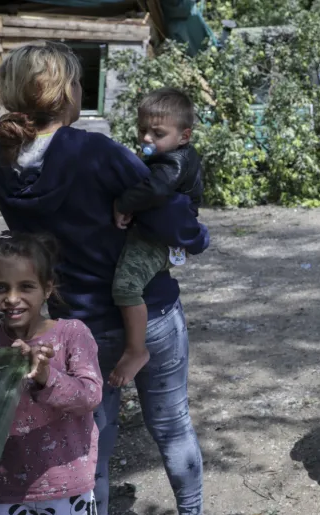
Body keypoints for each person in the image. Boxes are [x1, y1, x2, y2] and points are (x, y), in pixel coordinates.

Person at [0, 42, 212, 515]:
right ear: (66, 92)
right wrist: (195, 238)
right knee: (172, 422)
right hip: (148, 312)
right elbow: (169, 214)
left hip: (71, 323)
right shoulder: (95, 150)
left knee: (91, 439)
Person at [0, 232, 103, 515]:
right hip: (3, 488)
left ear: (47, 288)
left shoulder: (72, 334)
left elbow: (90, 396)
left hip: (67, 485)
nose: (12, 298)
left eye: (25, 286)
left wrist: (45, 375)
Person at [109, 87, 205, 388]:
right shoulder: (171, 155)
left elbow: (156, 190)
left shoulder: (172, 163)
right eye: (143, 131)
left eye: (157, 133)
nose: (147, 138)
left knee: (125, 287)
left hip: (159, 240)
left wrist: (123, 203)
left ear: (184, 136)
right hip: (163, 236)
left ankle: (137, 350)